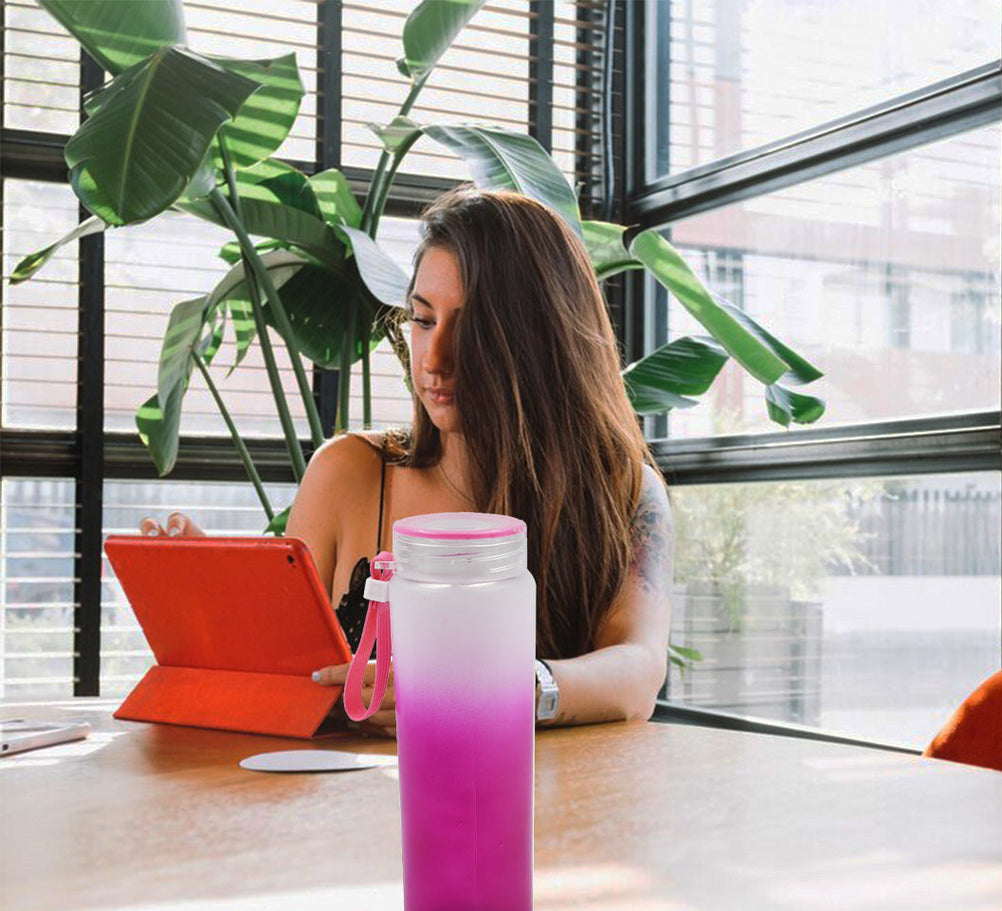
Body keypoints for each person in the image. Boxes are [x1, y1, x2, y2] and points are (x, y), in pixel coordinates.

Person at [140, 185, 674, 738]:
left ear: (540, 338)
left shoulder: (623, 492)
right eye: (422, 320)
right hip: (346, 791)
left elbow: (638, 672)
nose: (435, 359)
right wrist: (214, 614)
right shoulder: (346, 473)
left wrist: (498, 688)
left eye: (472, 327)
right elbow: (289, 673)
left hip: (538, 790)